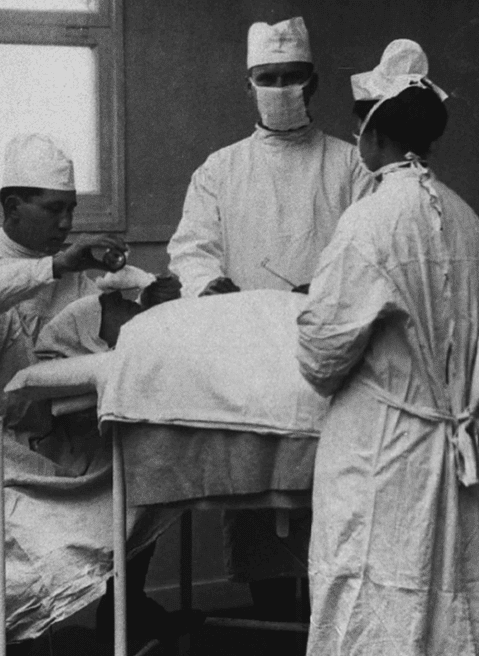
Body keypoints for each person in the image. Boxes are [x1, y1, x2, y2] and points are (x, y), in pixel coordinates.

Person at [0, 134, 183, 656]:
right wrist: (52, 267)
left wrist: (146, 300)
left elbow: (88, 342)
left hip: (42, 442)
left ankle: (121, 617)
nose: (66, 223)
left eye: (72, 210)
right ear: (12, 207)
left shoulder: (77, 272)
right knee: (36, 560)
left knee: (143, 482)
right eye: (54, 210)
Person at [296, 39, 479, 656]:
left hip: (383, 458)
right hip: (454, 455)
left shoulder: (369, 224)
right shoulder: (471, 226)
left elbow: (320, 354)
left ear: (373, 135)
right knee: (454, 610)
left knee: (376, 602)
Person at [166, 16, 374, 617]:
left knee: (337, 505)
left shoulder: (350, 165)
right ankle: (272, 619)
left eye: (291, 77)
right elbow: (191, 247)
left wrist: (326, 287)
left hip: (329, 353)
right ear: (248, 85)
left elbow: (367, 246)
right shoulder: (220, 170)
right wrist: (214, 288)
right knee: (259, 496)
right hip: (251, 354)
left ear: (312, 84)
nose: (280, 87)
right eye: (268, 78)